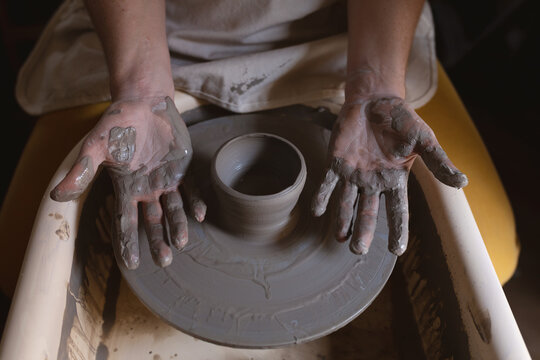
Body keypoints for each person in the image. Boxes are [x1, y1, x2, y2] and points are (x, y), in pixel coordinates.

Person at [8, 0, 468, 274]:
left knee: (482, 245)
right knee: (19, 250)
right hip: (144, 38)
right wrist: (141, 89)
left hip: (346, 37)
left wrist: (376, 84)